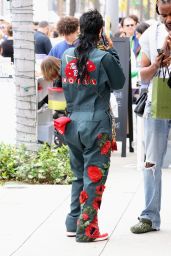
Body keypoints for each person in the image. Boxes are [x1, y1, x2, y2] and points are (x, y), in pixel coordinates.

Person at [60, 9, 125, 242]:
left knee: (79, 175)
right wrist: (111, 49)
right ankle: (87, 230)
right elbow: (119, 82)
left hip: (72, 123)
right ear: (100, 31)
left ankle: (72, 222)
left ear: (80, 29)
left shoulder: (67, 55)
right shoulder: (103, 57)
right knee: (94, 177)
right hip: (96, 125)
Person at [130, 0, 171, 234]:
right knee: (151, 161)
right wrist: (158, 63)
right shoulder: (150, 34)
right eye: (163, 15)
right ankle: (149, 216)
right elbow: (143, 75)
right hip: (158, 101)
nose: (168, 20)